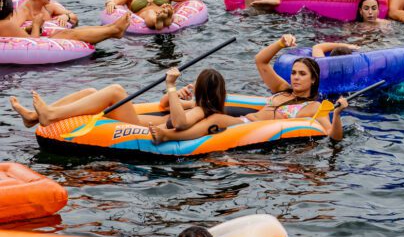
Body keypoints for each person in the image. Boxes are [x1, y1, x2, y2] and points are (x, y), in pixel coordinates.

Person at [149, 34, 348, 143]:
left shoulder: (315, 107)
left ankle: (168, 135)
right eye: (294, 72)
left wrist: (337, 115)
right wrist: (280, 43)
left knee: (215, 118)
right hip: (244, 121)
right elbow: (261, 61)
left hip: (250, 129)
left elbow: (333, 135)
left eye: (302, 74)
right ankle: (160, 121)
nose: (295, 77)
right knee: (204, 110)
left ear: (313, 80)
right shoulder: (283, 89)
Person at [9, 66, 240, 134]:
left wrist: (171, 87)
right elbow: (162, 106)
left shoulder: (203, 113)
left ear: (202, 90)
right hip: (136, 118)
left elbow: (179, 123)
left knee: (116, 90)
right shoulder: (198, 106)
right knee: (90, 92)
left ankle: (50, 115)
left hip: (137, 126)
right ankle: (34, 117)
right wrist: (176, 96)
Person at [0, 0, 129, 45]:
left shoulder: (5, 25)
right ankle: (113, 31)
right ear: (10, 13)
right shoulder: (6, 24)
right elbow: (32, 44)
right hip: (37, 46)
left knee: (68, 32)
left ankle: (111, 28)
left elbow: (18, 36)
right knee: (70, 34)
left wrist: (28, 29)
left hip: (33, 42)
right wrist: (35, 25)